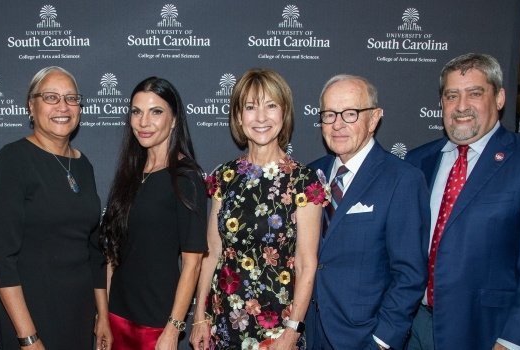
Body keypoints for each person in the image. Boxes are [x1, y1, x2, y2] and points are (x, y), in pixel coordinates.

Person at [404, 53, 520, 350]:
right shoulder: (418, 161)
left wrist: (513, 341)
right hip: (413, 326)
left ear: (499, 98)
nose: (461, 106)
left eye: (475, 93)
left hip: (486, 331)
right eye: (452, 95)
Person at [190, 68, 321, 350]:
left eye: (271, 105)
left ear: (284, 113)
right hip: (223, 324)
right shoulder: (224, 177)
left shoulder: (304, 182)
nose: (261, 117)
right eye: (250, 107)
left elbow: (306, 264)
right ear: (238, 116)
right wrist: (200, 316)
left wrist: (292, 333)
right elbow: (211, 253)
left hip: (277, 331)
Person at [0, 66, 111, 350]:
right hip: (29, 315)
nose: (63, 107)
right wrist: (28, 337)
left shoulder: (84, 165)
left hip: (77, 314)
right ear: (31, 105)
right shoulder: (12, 161)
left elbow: (94, 250)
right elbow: (1, 260)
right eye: (51, 97)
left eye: (71, 98)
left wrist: (102, 316)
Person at [305, 75, 429, 350]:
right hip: (310, 335)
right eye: (329, 114)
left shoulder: (402, 179)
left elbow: (409, 274)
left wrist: (382, 341)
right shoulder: (310, 175)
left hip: (364, 339)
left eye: (350, 114)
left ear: (374, 119)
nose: (338, 124)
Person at [100, 77, 207, 349]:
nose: (143, 122)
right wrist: (103, 315)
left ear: (173, 120)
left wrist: (173, 329)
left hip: (156, 325)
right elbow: (114, 253)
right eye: (136, 112)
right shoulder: (130, 173)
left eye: (156, 111)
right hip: (117, 316)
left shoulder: (186, 177)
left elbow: (192, 264)